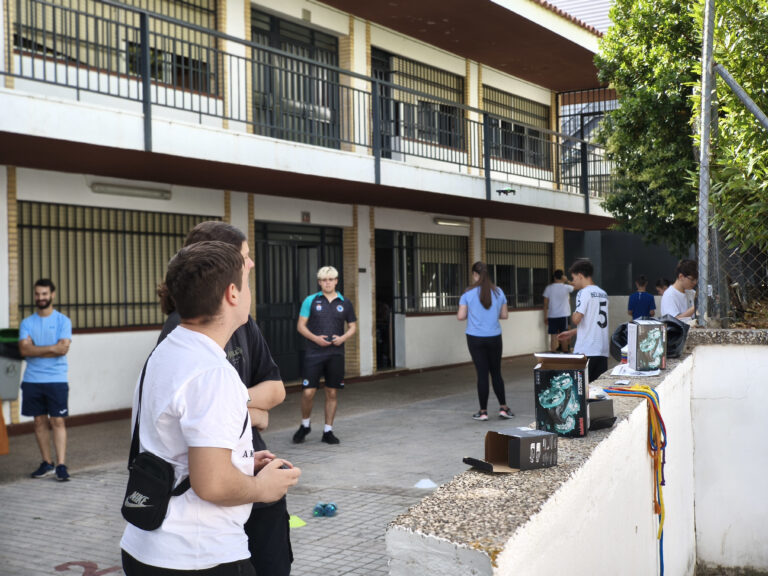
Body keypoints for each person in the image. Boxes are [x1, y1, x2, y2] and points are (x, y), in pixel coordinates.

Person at [121, 241, 301, 575]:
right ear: (232, 294)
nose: (249, 291)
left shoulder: (167, 352)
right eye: (246, 282)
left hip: (148, 547)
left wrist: (243, 463)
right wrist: (262, 488)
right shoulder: (213, 373)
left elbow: (176, 449)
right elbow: (213, 484)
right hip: (198, 555)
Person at [293, 266, 356, 445]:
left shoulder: (345, 302)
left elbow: (353, 327)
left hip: (336, 353)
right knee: (308, 392)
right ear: (319, 282)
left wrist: (342, 338)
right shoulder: (310, 301)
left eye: (331, 279)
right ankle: (305, 425)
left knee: (331, 392)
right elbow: (301, 326)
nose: (327, 282)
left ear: (336, 281)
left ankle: (328, 431)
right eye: (324, 280)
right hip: (314, 353)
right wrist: (316, 339)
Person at [19, 279, 72, 482]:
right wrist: (52, 348)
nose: (40, 298)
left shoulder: (63, 321)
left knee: (57, 420)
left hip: (56, 379)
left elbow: (63, 349)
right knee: (39, 422)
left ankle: (61, 464)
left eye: (44, 294)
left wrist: (36, 349)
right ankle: (47, 462)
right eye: (37, 294)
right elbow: (24, 350)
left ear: (52, 295)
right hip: (32, 380)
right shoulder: (27, 323)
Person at [457, 261, 514, 421]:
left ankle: (483, 412)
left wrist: (474, 315)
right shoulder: (498, 292)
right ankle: (503, 408)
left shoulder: (467, 294)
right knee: (496, 372)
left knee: (482, 374)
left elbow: (461, 316)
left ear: (475, 275)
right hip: (494, 337)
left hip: (475, 338)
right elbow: (504, 315)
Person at [557, 259, 610, 383]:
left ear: (580, 276)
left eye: (574, 278)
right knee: (597, 391)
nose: (572, 282)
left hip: (586, 350)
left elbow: (576, 319)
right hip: (602, 350)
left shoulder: (584, 292)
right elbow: (594, 322)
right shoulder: (603, 293)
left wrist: (572, 312)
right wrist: (572, 333)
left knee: (581, 391)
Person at [542, 269, 574, 353]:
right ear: (562, 277)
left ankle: (553, 353)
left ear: (554, 277)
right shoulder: (567, 287)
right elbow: (575, 285)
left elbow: (545, 304)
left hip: (552, 315)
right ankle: (565, 353)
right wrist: (566, 280)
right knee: (564, 335)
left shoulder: (548, 288)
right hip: (564, 315)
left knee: (553, 336)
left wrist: (545, 316)